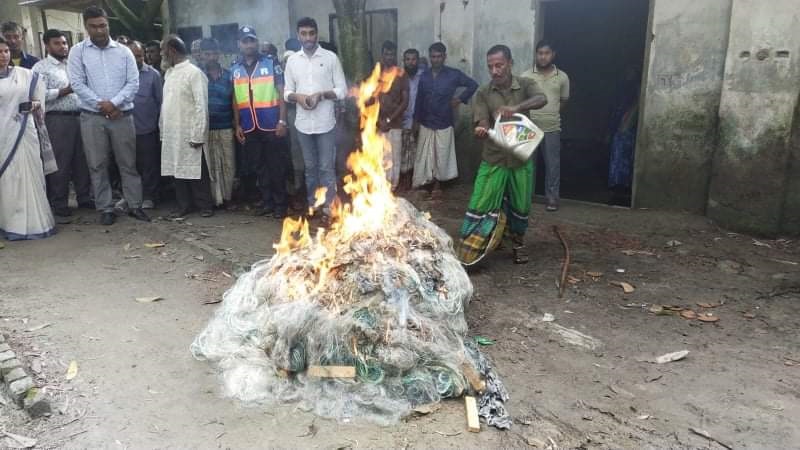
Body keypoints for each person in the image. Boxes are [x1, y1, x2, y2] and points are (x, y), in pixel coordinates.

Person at [456, 45, 547, 266]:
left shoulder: (525, 84)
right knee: (480, 201)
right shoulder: (483, 92)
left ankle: (517, 244)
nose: (495, 71)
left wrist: (516, 107)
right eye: (490, 67)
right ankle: (472, 248)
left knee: (520, 205)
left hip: (520, 158)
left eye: (499, 65)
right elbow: (482, 119)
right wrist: (482, 128)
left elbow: (541, 98)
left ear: (510, 63)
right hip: (494, 158)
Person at [68, 5, 149, 226]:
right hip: (92, 117)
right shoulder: (78, 52)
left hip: (122, 115)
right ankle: (105, 207)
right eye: (94, 27)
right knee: (97, 164)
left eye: (103, 25)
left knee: (128, 163)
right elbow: (77, 83)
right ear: (86, 27)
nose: (99, 31)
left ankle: (135, 205)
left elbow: (133, 82)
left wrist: (113, 104)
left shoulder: (123, 52)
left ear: (108, 24)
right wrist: (101, 105)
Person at [284, 17, 347, 223]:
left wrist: (321, 94)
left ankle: (329, 208)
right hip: (303, 124)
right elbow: (286, 92)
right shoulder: (292, 61)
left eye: (311, 33)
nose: (308, 37)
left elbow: (342, 91)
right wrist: (298, 98)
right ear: (298, 35)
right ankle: (313, 205)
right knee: (309, 168)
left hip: (325, 123)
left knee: (326, 168)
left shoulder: (330, 58)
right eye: (304, 33)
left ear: (317, 34)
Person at [31, 29, 93, 218]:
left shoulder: (74, 65)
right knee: (61, 162)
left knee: (82, 160)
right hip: (57, 119)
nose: (63, 46)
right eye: (57, 43)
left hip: (80, 116)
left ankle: (84, 197)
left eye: (64, 43)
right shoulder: (40, 68)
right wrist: (63, 91)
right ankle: (59, 202)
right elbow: (36, 95)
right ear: (47, 46)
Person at [0, 36, 56, 240]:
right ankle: (10, 224)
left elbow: (38, 98)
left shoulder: (26, 75)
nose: (3, 55)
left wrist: (34, 105)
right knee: (8, 179)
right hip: (2, 138)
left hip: (25, 133)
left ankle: (36, 224)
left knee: (30, 175)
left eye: (5, 51)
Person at [232, 26, 289, 218]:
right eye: (245, 41)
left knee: (276, 166)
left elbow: (282, 93)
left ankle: (281, 205)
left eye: (252, 41)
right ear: (239, 44)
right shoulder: (235, 68)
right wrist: (237, 124)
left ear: (256, 42)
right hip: (249, 125)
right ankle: (267, 202)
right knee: (259, 166)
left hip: (271, 123)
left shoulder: (271, 63)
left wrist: (282, 120)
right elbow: (235, 98)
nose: (249, 45)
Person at [413, 42, 478, 197]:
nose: (436, 59)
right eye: (433, 56)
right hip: (426, 121)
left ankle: (437, 185)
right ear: (430, 57)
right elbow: (419, 99)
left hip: (444, 120)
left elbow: (472, 85)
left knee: (441, 155)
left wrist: (459, 99)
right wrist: (415, 121)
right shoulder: (425, 76)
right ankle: (425, 184)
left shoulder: (453, 74)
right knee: (425, 155)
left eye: (439, 56)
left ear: (444, 57)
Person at [159, 35, 212, 218]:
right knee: (177, 170)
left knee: (196, 170)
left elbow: (201, 105)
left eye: (162, 50)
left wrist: (198, 134)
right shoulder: (169, 73)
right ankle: (184, 205)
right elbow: (166, 104)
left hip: (189, 129)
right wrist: (163, 129)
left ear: (172, 51)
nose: (161, 54)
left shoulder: (194, 73)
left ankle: (204, 205)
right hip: (173, 132)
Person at [521, 40, 570, 211]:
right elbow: (522, 100)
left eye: (546, 53)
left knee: (552, 164)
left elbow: (563, 101)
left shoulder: (562, 77)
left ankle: (552, 198)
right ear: (536, 54)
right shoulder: (526, 76)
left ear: (553, 54)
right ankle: (524, 196)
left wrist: (551, 113)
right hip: (528, 127)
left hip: (551, 127)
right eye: (540, 53)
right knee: (526, 164)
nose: (543, 56)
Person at [200, 38, 236, 207]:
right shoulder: (198, 76)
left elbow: (235, 101)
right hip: (206, 128)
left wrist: (237, 124)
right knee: (211, 165)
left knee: (228, 163)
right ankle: (215, 200)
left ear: (219, 54)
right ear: (201, 56)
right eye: (207, 54)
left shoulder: (229, 75)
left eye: (214, 53)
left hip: (226, 126)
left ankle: (228, 198)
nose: (211, 57)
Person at [128, 40, 163, 210]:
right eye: (133, 55)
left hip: (147, 128)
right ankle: (132, 196)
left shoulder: (153, 75)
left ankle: (149, 196)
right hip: (125, 130)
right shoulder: (120, 75)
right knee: (130, 165)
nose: (137, 59)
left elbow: (160, 102)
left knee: (149, 165)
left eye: (139, 55)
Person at [376, 40, 409, 190]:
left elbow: (405, 102)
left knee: (394, 157)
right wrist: (378, 120)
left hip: (395, 123)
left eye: (392, 54)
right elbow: (370, 98)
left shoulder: (401, 74)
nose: (389, 57)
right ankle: (380, 188)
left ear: (395, 55)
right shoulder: (376, 73)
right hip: (377, 123)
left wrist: (389, 120)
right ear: (382, 55)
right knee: (379, 156)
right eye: (386, 54)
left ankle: (392, 189)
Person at [607, 65, 641, 206]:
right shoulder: (624, 88)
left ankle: (622, 187)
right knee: (617, 155)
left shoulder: (636, 88)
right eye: (626, 71)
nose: (628, 73)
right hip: (620, 125)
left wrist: (627, 122)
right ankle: (617, 186)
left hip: (627, 127)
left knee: (624, 156)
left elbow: (636, 106)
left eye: (630, 71)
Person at [399, 48, 423, 191]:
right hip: (401, 120)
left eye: (413, 59)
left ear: (418, 61)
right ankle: (403, 179)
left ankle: (413, 180)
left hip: (418, 120)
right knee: (402, 151)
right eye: (407, 59)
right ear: (404, 61)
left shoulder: (423, 77)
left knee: (415, 151)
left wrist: (418, 120)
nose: (410, 62)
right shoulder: (398, 76)